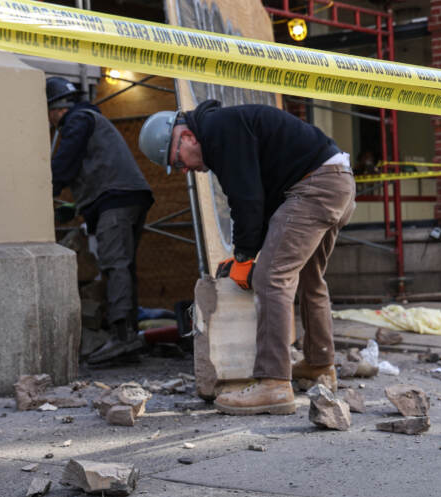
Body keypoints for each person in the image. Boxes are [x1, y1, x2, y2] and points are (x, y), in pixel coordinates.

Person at [138, 100, 355, 415]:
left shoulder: (218, 131)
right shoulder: (225, 128)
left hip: (314, 187)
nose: (185, 169)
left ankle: (274, 384)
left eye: (178, 160)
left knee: (271, 278)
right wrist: (248, 253)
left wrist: (243, 256)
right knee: (310, 277)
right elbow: (264, 199)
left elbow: (246, 199)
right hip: (335, 180)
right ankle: (320, 366)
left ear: (185, 137)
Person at [46, 76, 154, 364]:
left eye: (48, 114)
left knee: (114, 264)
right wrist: (75, 205)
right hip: (128, 196)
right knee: (124, 266)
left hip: (116, 200)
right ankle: (128, 336)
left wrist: (44, 190)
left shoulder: (77, 120)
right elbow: (92, 166)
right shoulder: (90, 118)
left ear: (56, 109)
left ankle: (121, 337)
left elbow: (64, 163)